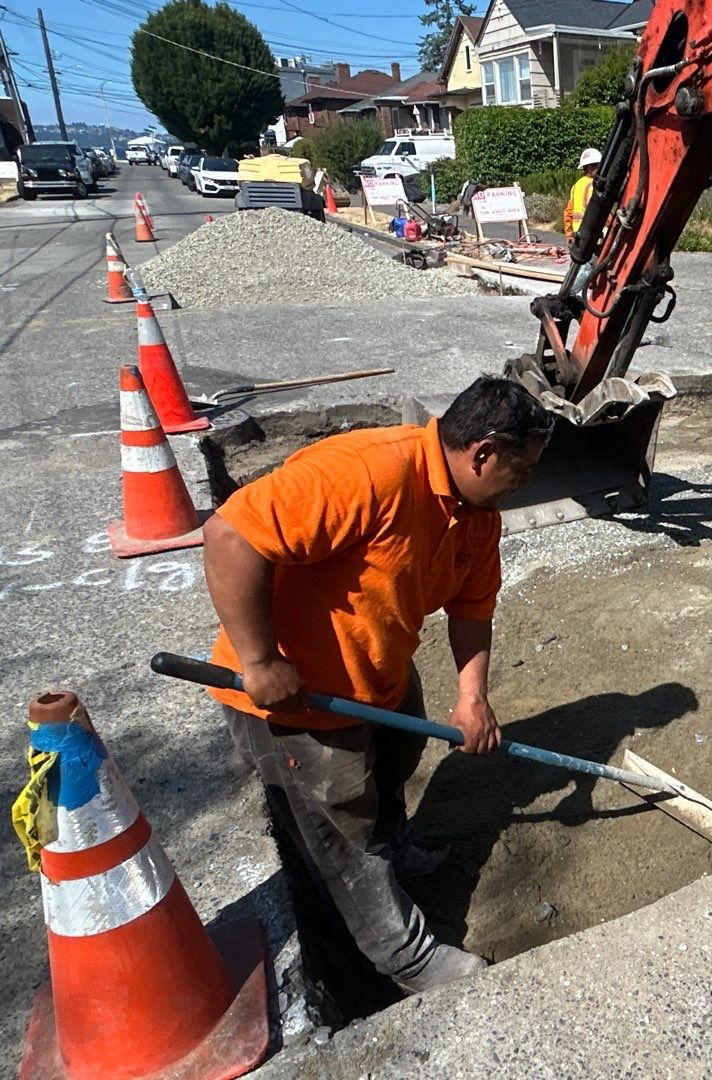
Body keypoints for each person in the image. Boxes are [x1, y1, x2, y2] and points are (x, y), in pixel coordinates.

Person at [203, 377, 553, 993]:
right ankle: (404, 955)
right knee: (344, 834)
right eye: (521, 469)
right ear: (483, 453)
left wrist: (473, 697)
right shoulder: (368, 474)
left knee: (394, 763)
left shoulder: (477, 515)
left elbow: (474, 608)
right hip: (298, 695)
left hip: (377, 671)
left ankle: (394, 844)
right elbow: (232, 535)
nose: (528, 482)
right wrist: (260, 662)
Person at [563, 147, 602, 243]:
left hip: (578, 235)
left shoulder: (576, 186)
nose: (600, 168)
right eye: (598, 165)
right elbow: (600, 209)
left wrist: (569, 234)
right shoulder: (594, 185)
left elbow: (568, 212)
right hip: (593, 235)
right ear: (589, 168)